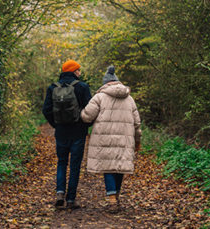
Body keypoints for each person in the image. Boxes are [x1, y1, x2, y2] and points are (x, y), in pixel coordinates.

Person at [81, 65, 141, 212]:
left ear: (105, 83)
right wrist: (137, 140)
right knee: (119, 167)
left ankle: (112, 198)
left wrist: (81, 112)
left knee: (108, 167)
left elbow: (87, 116)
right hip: (124, 140)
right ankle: (116, 196)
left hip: (104, 139)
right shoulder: (130, 99)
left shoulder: (99, 97)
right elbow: (137, 122)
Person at [42, 60, 92, 209]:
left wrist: (56, 124)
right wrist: (86, 125)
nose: (80, 73)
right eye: (79, 70)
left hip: (61, 132)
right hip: (78, 132)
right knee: (75, 166)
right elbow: (90, 110)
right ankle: (71, 200)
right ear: (75, 71)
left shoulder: (53, 88)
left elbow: (46, 110)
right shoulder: (82, 87)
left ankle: (59, 193)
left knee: (62, 162)